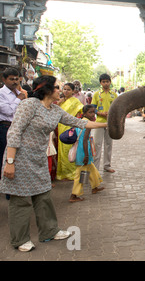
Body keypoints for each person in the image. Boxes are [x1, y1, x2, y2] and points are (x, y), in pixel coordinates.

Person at [0, 75, 107, 252]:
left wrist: (107, 124)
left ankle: (49, 230)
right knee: (20, 200)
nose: (61, 91)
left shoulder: (55, 110)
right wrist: (10, 162)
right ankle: (20, 239)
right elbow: (14, 132)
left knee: (43, 196)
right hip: (20, 157)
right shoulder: (29, 105)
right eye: (57, 88)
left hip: (39, 158)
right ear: (47, 90)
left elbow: (80, 122)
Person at [69, 104, 105, 203]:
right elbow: (84, 140)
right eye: (90, 112)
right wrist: (86, 155)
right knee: (81, 174)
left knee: (92, 169)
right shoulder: (87, 123)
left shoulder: (81, 121)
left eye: (94, 112)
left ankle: (95, 187)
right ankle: (74, 195)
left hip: (84, 151)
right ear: (85, 113)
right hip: (83, 152)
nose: (93, 114)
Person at [0, 68, 26, 179]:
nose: (15, 81)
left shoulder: (20, 92)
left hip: (17, 127)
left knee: (16, 156)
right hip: (5, 127)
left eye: (17, 79)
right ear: (4, 79)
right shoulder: (1, 93)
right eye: (11, 79)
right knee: (5, 155)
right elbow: (8, 111)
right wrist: (18, 99)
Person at [56, 83, 84, 181]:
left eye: (68, 89)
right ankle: (63, 174)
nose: (66, 91)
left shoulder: (75, 102)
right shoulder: (60, 101)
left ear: (73, 91)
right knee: (61, 151)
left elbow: (80, 113)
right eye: (64, 89)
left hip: (70, 128)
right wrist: (59, 102)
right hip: (60, 128)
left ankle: (71, 174)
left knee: (69, 150)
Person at [91, 73, 117, 173]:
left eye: (107, 81)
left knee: (108, 144)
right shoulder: (97, 94)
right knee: (97, 144)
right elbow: (93, 108)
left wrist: (111, 114)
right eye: (103, 82)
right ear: (100, 83)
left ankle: (107, 165)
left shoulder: (113, 94)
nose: (105, 83)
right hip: (99, 122)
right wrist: (100, 113)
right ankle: (95, 167)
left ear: (110, 82)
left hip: (110, 123)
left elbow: (116, 108)